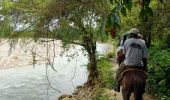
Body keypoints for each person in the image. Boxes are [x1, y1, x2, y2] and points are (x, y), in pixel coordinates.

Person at [114, 28, 148, 92]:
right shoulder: (143, 43)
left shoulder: (127, 41)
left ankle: (117, 86)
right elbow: (144, 58)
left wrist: (124, 61)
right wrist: (145, 68)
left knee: (118, 72)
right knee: (145, 76)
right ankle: (144, 88)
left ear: (131, 34)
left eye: (130, 34)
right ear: (137, 35)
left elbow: (124, 54)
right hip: (139, 65)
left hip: (128, 64)